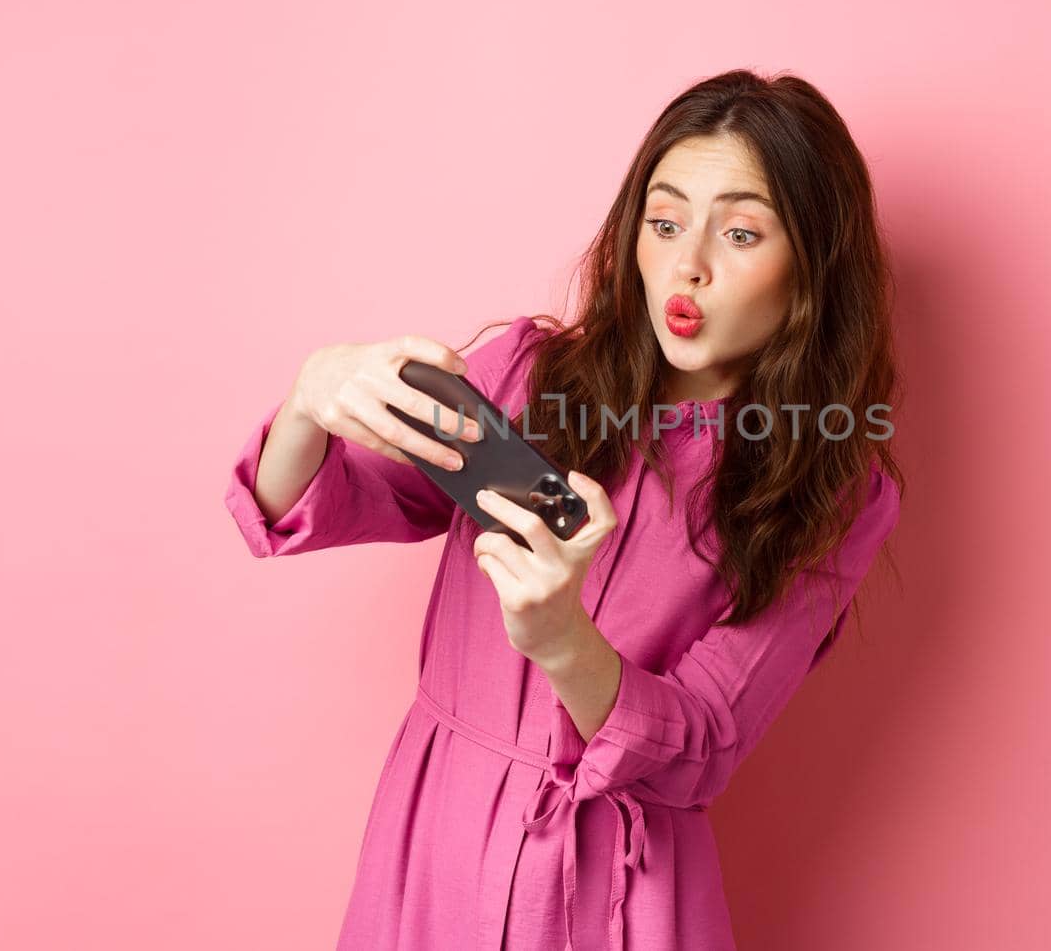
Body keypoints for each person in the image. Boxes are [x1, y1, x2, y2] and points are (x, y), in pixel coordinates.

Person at [223, 68, 906, 951]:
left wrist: (560, 638)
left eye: (739, 232)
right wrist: (311, 399)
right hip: (434, 848)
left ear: (813, 263)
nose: (688, 262)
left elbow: (702, 743)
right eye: (665, 222)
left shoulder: (838, 492)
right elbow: (300, 504)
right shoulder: (531, 374)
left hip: (613, 898)